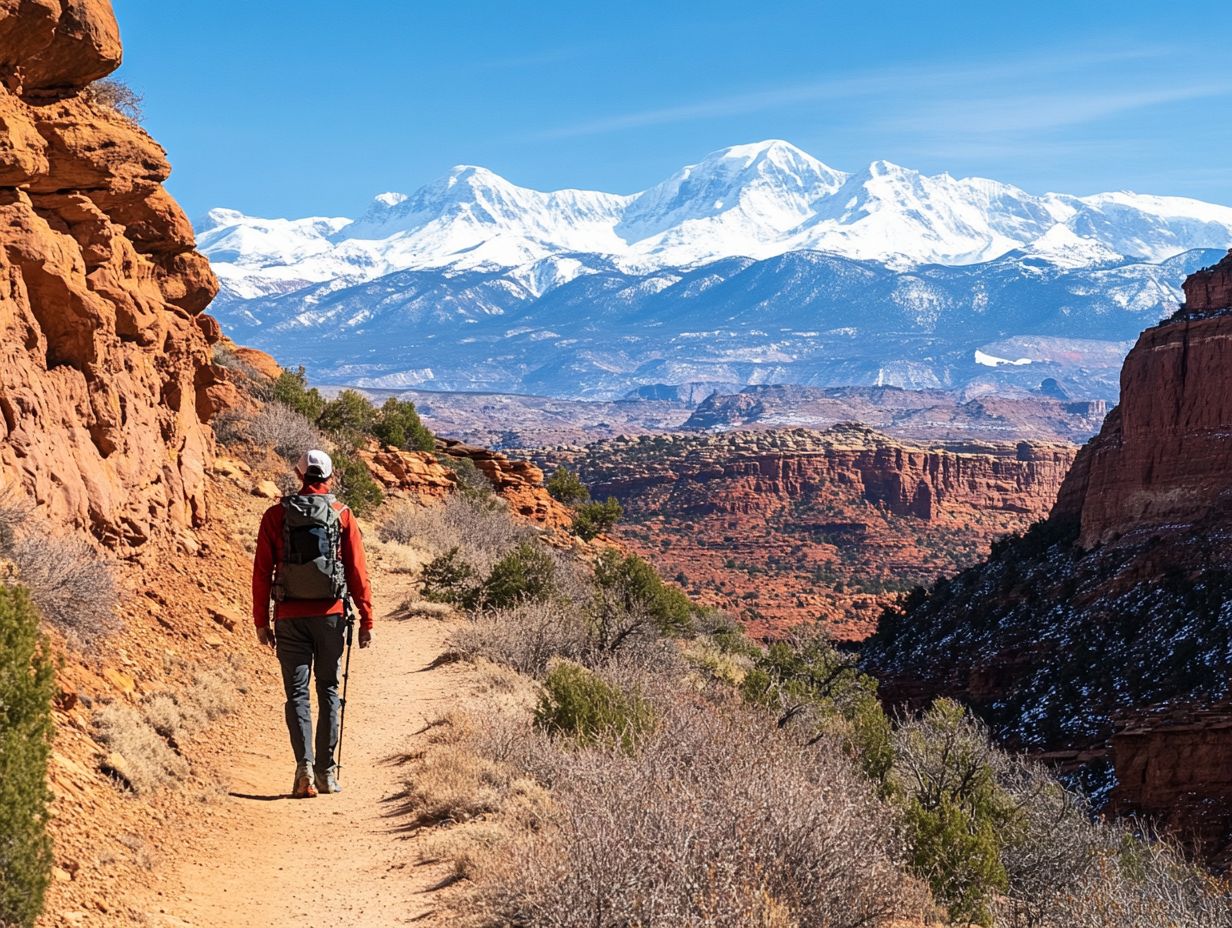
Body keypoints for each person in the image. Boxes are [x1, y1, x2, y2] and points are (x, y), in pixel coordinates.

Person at [251, 449, 374, 798]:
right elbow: (357, 572)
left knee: (297, 695)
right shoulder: (341, 515)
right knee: (330, 691)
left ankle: (304, 770)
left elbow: (262, 573)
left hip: (290, 617)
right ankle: (327, 773)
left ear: (299, 475)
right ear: (330, 477)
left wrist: (262, 620)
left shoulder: (276, 516)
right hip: (332, 617)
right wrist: (367, 618)